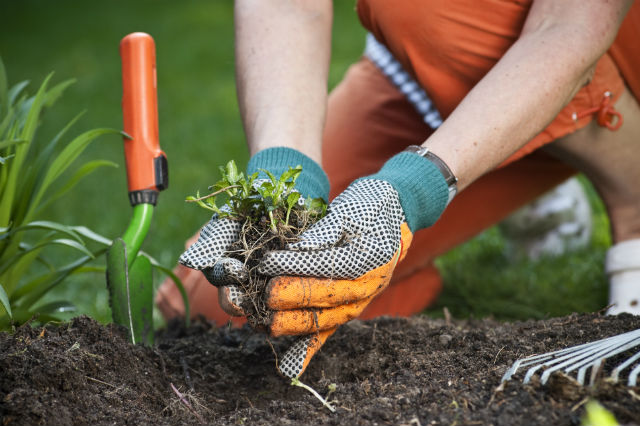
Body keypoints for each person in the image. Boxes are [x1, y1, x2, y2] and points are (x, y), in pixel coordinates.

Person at [158, 0, 640, 378]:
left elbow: (569, 25)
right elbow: (287, 4)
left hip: (594, 44)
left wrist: (412, 188)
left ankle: (631, 201)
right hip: (421, 69)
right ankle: (515, 157)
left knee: (419, 7)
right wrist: (285, 178)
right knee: (223, 305)